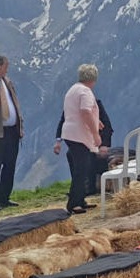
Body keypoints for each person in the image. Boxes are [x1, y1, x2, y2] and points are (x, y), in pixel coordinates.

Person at [60, 63, 102, 214]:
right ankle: (74, 203)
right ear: (93, 78)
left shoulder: (73, 89)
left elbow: (77, 112)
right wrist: (95, 133)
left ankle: (80, 199)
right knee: (81, 169)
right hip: (79, 135)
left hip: (70, 132)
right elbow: (85, 112)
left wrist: (96, 121)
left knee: (83, 168)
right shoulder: (86, 92)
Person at [0, 55, 24, 211]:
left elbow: (14, 102)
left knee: (10, 164)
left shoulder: (7, 81)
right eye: (6, 66)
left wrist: (20, 125)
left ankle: (5, 197)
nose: (7, 69)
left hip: (11, 130)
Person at [54, 98, 112, 194]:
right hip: (79, 140)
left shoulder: (95, 104)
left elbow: (107, 125)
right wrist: (58, 141)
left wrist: (104, 145)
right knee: (70, 154)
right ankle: (78, 188)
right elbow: (63, 122)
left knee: (88, 154)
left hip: (95, 141)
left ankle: (89, 188)